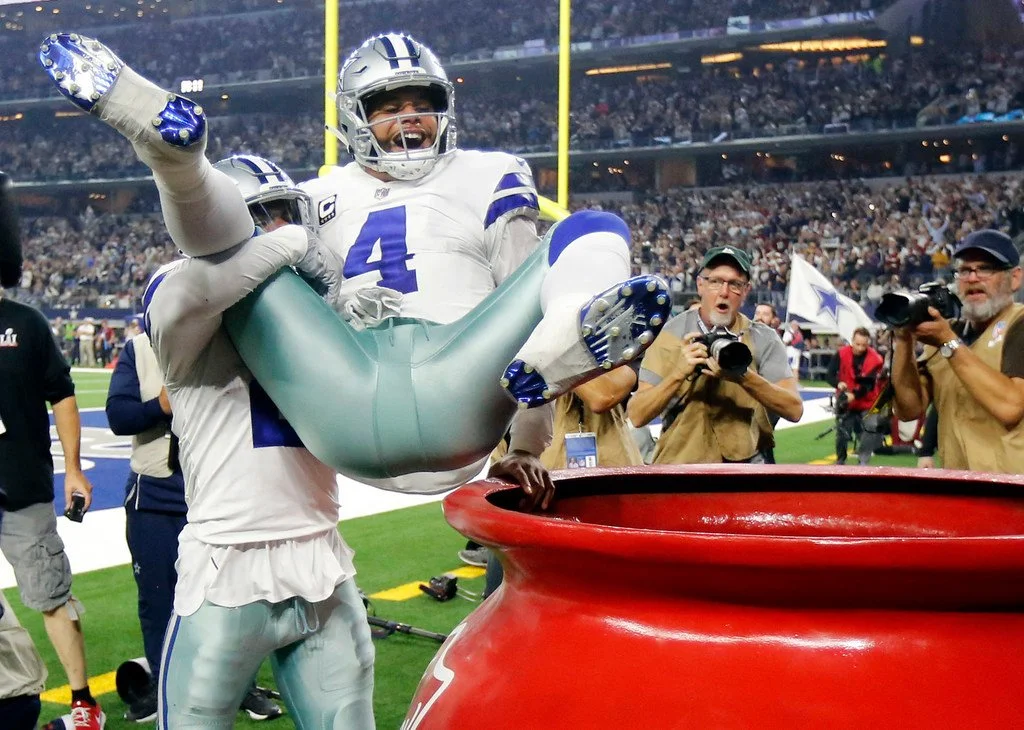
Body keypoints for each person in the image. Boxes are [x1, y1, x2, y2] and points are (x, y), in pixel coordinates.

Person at [38, 32, 671, 498]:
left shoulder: (485, 173)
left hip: (450, 389)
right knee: (249, 252)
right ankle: (176, 156)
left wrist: (527, 444)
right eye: (388, 106)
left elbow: (518, 294)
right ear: (355, 116)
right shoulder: (317, 195)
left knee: (587, 229)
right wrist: (312, 269)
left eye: (421, 102)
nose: (409, 118)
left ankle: (180, 170)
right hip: (352, 385)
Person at [105, 318, 282, 723]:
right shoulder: (140, 349)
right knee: (157, 598)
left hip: (220, 493)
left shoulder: (231, 341)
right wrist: (160, 406)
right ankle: (163, 685)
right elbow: (118, 415)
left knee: (236, 594)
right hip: (156, 495)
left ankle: (242, 685)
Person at [0, 171, 105, 729]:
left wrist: (74, 470)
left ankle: (84, 702)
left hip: (22, 487)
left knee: (51, 594)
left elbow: (62, 395)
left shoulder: (27, 324)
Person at [628, 246, 803, 463]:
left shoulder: (763, 338)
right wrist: (678, 374)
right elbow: (637, 415)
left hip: (743, 465)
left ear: (746, 291)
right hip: (681, 464)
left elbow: (794, 409)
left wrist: (743, 376)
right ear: (700, 285)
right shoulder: (669, 336)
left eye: (735, 284)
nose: (724, 292)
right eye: (715, 282)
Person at [891, 229, 1024, 473]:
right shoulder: (949, 331)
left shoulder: (1019, 323)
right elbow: (908, 410)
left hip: (1012, 488)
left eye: (985, 269)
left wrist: (948, 343)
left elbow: (1010, 406)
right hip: (960, 485)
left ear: (1014, 278)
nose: (972, 278)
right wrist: (904, 340)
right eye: (964, 270)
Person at [825, 327, 885, 465]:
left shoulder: (876, 359)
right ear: (852, 341)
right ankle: (841, 460)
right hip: (846, 400)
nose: (860, 348)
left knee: (870, 427)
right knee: (842, 431)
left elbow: (868, 385)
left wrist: (854, 396)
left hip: (867, 400)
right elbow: (829, 375)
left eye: (864, 345)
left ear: (868, 343)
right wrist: (838, 383)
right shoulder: (841, 354)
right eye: (857, 344)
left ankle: (863, 461)